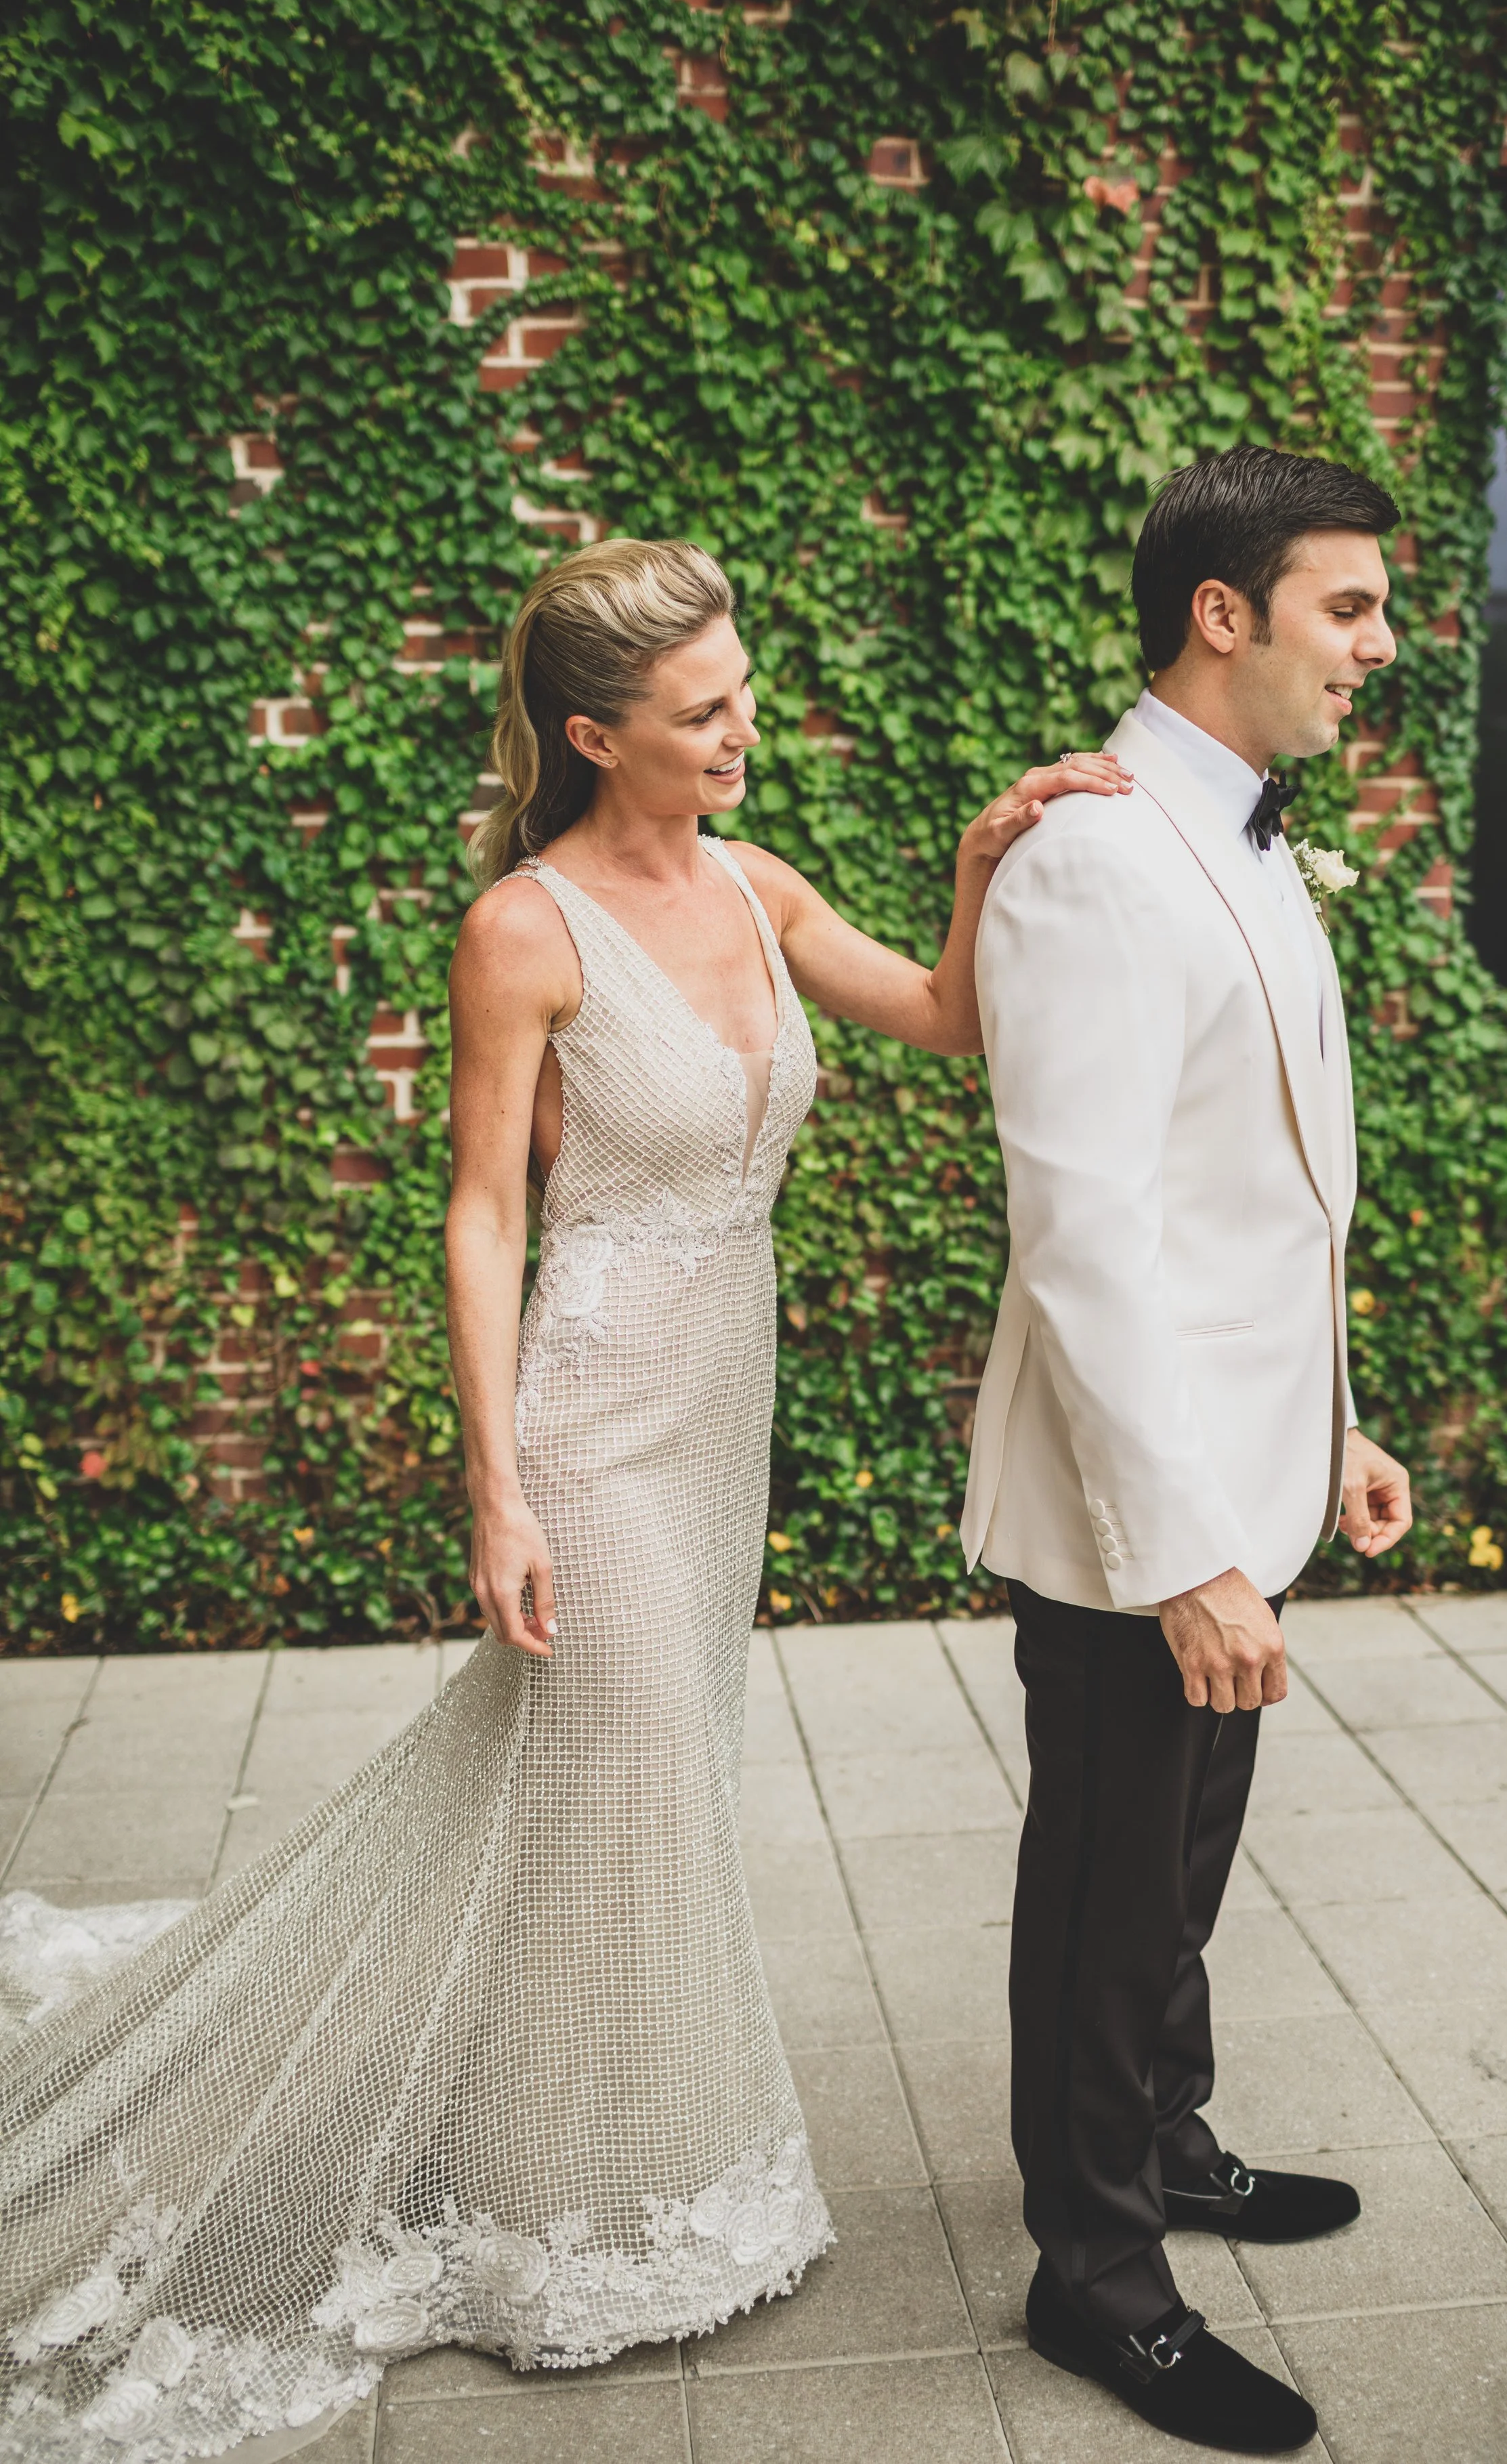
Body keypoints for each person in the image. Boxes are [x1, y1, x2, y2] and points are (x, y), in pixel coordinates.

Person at [0, 538, 1127, 2463]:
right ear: (593, 732)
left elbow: (947, 1015)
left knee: (647, 1768)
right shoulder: (525, 926)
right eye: (703, 713)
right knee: (624, 1773)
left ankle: (600, 2145)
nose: (742, 732)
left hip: (723, 1413)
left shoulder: (759, 890)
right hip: (598, 1415)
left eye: (742, 692)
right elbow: (484, 1210)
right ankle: (555, 2215)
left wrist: (979, 851)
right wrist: (497, 1486)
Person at [962, 448, 1415, 2455]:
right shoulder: (1094, 852)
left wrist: (1329, 1426)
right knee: (1108, 1886)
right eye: (1349, 606)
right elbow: (1083, 1230)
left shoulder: (1240, 834)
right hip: (1132, 1512)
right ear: (1219, 611)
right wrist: (1180, 1551)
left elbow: (1257, 1185)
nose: (1378, 648)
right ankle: (1098, 2269)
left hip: (1249, 1466)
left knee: (1191, 1858)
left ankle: (1165, 2134)